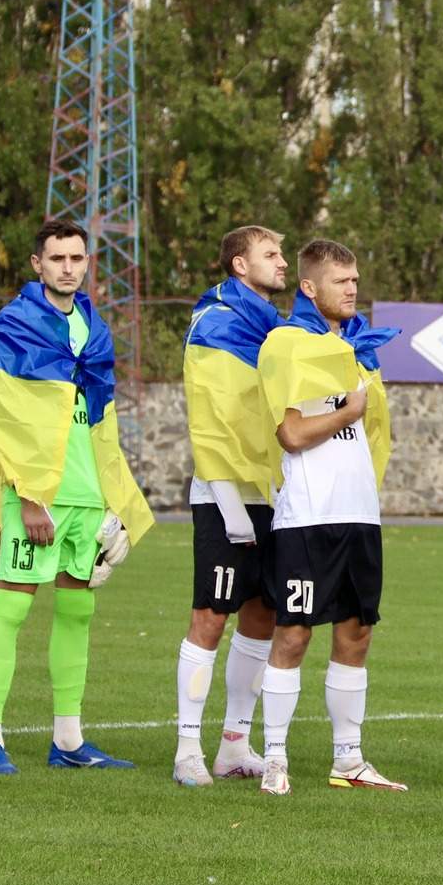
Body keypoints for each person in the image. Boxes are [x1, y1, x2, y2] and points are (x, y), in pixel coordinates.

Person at [0, 218, 154, 775]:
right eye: (58, 259)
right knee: (12, 607)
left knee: (78, 610)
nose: (69, 268)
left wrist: (115, 499)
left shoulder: (95, 331)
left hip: (86, 496)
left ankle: (68, 741)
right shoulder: (14, 325)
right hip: (36, 496)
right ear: (37, 264)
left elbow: (103, 423)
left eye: (77, 259)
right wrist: (28, 496)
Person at [254, 238, 404, 797]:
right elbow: (291, 434)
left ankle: (349, 758)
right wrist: (348, 410)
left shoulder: (359, 349)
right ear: (310, 287)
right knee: (292, 635)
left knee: (357, 632)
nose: (352, 289)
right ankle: (274, 757)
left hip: (359, 514)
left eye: (356, 280)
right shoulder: (288, 343)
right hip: (307, 517)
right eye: (341, 281)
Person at [171, 225, 292, 788]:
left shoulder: (280, 329)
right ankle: (187, 748)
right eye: (271, 254)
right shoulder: (215, 321)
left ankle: (234, 745)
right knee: (210, 617)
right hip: (225, 495)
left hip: (275, 492)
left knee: (263, 614)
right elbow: (210, 419)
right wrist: (228, 500)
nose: (283, 262)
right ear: (240, 265)